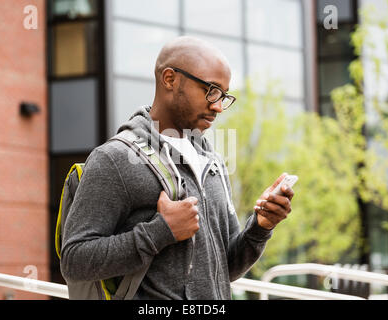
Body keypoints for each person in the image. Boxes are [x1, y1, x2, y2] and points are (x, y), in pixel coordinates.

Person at [60, 36, 294, 300]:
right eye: (211, 90)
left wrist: (261, 226)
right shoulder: (115, 158)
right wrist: (160, 232)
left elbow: (225, 268)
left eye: (224, 96)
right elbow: (74, 261)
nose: (217, 106)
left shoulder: (213, 161)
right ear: (170, 79)